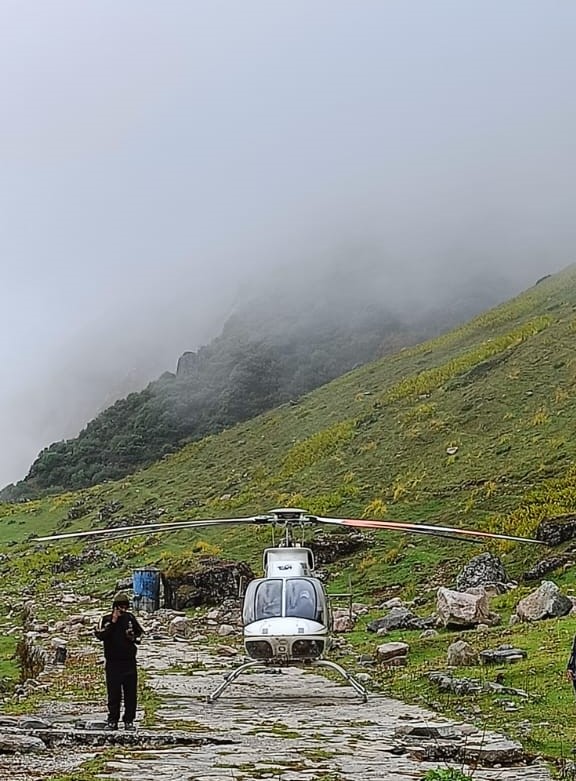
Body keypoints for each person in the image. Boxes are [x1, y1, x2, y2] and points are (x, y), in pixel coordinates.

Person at [95, 591, 144, 731]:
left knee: (131, 694)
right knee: (114, 693)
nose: (123, 610)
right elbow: (101, 635)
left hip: (129, 661)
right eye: (120, 607)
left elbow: (139, 635)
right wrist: (113, 622)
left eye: (125, 607)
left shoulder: (130, 618)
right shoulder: (106, 619)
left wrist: (132, 637)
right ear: (115, 607)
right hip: (113, 662)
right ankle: (112, 720)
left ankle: (129, 720)